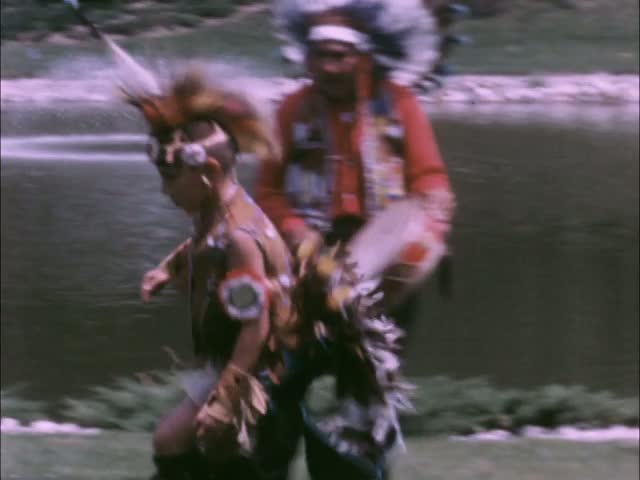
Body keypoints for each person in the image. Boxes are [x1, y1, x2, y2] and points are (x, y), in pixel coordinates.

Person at [257, 1, 457, 478]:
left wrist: (425, 230)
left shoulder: (398, 105)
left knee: (365, 401)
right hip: (305, 273)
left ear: (363, 56)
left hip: (378, 285)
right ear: (305, 57)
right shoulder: (291, 110)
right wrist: (300, 236)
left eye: (338, 56)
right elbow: (267, 192)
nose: (328, 66)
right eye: (319, 55)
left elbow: (431, 183)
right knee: (277, 387)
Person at [129, 70, 306, 480]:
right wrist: (168, 268)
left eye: (169, 178)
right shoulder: (218, 214)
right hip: (235, 361)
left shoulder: (240, 238)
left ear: (207, 169)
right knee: (214, 456)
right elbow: (202, 246)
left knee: (174, 441)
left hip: (256, 369)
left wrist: (226, 398)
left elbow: (254, 328)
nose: (164, 191)